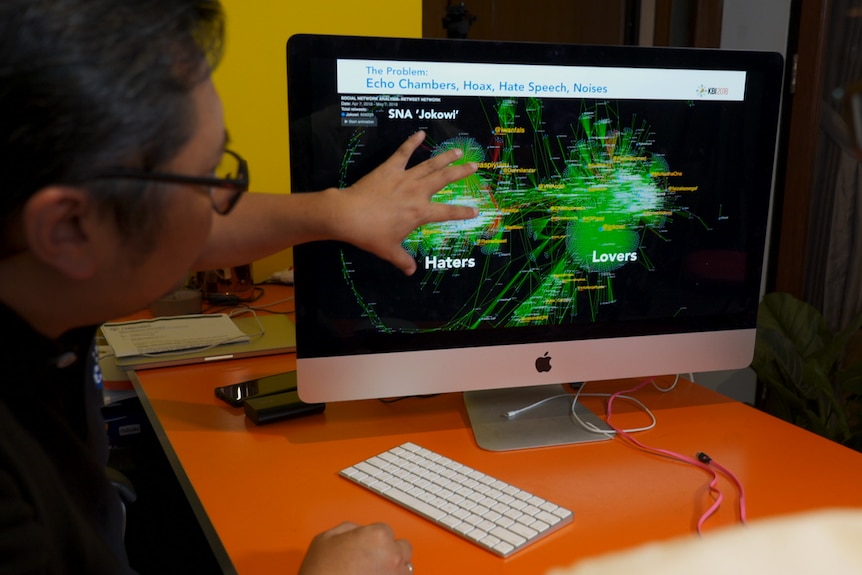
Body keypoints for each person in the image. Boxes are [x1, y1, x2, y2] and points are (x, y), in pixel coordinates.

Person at [0, 0, 477, 573]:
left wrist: (337, 211)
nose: (222, 206)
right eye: (207, 181)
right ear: (69, 229)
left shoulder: (34, 275)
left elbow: (174, 232)